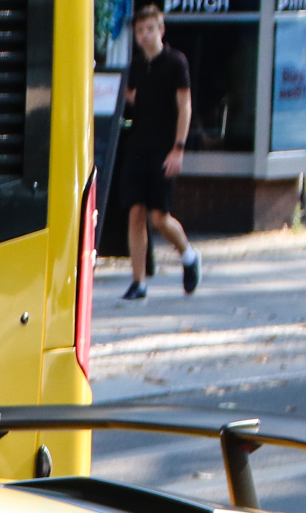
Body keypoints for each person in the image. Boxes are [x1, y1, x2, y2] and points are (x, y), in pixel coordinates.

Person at [118, 1, 200, 301]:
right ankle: (138, 282)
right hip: (137, 148)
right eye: (139, 30)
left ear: (161, 30)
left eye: (150, 29)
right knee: (135, 214)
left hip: (164, 150)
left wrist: (178, 148)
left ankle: (189, 255)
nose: (144, 35)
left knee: (159, 217)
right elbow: (134, 100)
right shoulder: (136, 68)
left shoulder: (176, 63)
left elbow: (184, 106)